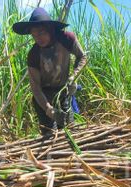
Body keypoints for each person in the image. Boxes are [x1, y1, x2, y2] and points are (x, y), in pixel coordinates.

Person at [13, 7, 87, 135]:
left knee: (69, 130)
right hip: (44, 95)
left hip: (63, 91)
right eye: (34, 35)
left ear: (50, 29)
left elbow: (83, 57)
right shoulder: (34, 54)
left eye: (41, 33)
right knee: (50, 134)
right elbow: (35, 87)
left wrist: (73, 78)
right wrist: (48, 108)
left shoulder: (66, 38)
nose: (38, 38)